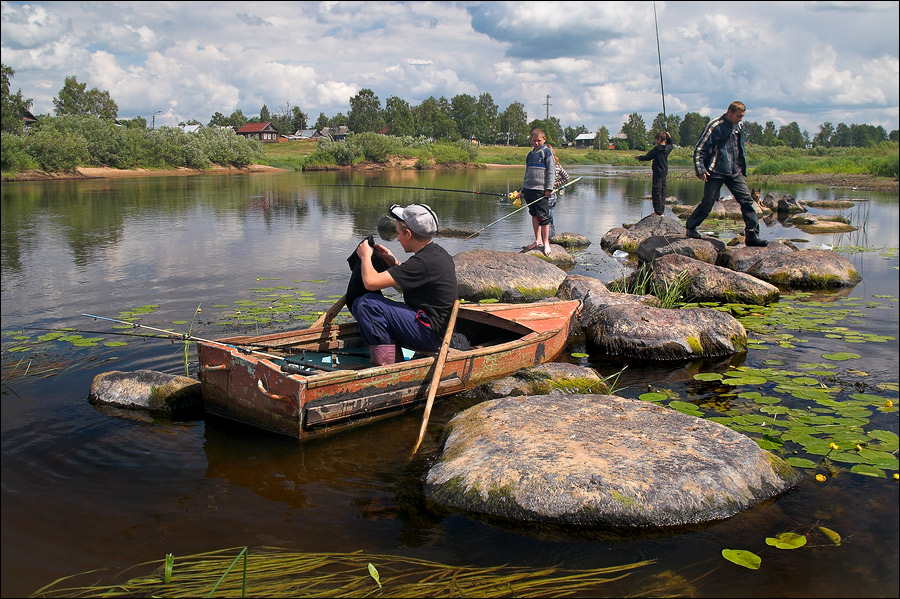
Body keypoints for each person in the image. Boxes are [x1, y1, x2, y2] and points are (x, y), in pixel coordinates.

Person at [350, 203, 458, 365]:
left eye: (399, 233)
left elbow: (370, 283)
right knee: (360, 302)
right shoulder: (436, 253)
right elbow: (414, 281)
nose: (398, 238)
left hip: (432, 334)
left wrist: (366, 256)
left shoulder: (422, 262)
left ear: (408, 233)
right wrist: (394, 263)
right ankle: (392, 352)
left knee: (368, 304)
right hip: (433, 327)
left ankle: (387, 367)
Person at [687, 101, 768, 247]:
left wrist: (742, 168)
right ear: (729, 112)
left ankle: (752, 234)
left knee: (747, 201)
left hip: (734, 171)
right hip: (715, 171)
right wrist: (700, 170)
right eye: (738, 116)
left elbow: (739, 148)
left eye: (742, 116)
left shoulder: (739, 126)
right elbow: (699, 149)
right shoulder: (714, 126)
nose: (740, 119)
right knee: (708, 203)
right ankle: (691, 227)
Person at [521, 128, 556, 256]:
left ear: (544, 140)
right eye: (534, 141)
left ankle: (546, 242)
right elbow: (527, 173)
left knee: (544, 218)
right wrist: (522, 189)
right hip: (529, 190)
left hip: (541, 190)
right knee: (534, 215)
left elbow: (552, 172)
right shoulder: (530, 155)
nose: (536, 143)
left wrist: (549, 188)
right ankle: (537, 240)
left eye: (539, 141)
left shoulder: (547, 153)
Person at [635, 130, 674, 216]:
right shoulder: (667, 149)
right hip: (664, 172)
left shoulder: (657, 149)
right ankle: (661, 210)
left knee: (656, 191)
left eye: (656, 140)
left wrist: (639, 157)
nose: (655, 141)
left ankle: (658, 211)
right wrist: (669, 138)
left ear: (659, 139)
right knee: (663, 191)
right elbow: (671, 145)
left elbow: (648, 157)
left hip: (657, 172)